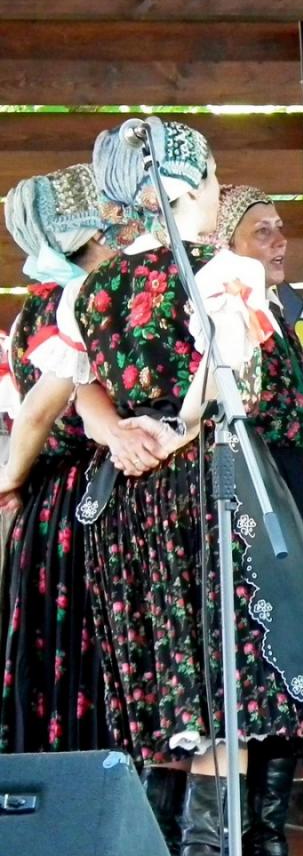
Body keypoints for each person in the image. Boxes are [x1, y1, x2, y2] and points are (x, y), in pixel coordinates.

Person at [35, 119, 303, 856]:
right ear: (178, 190)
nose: (215, 193)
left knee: (170, 692)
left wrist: (120, 435)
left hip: (132, 501)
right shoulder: (228, 272)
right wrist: (166, 433)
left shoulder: (91, 288)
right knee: (222, 700)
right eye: (210, 180)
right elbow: (228, 379)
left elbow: (79, 385)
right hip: (210, 487)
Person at [214, 184, 303, 856]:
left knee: (296, 668)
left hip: (288, 490)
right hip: (249, 496)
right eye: (260, 230)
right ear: (227, 244)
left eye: (279, 228)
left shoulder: (278, 318)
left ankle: (270, 852)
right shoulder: (227, 315)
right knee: (260, 666)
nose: (278, 240)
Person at [0, 164, 122, 756]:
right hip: (99, 497)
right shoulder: (91, 302)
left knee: (55, 655)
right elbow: (43, 414)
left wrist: (13, 481)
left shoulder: (32, 309)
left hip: (48, 508)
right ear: (93, 231)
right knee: (99, 654)